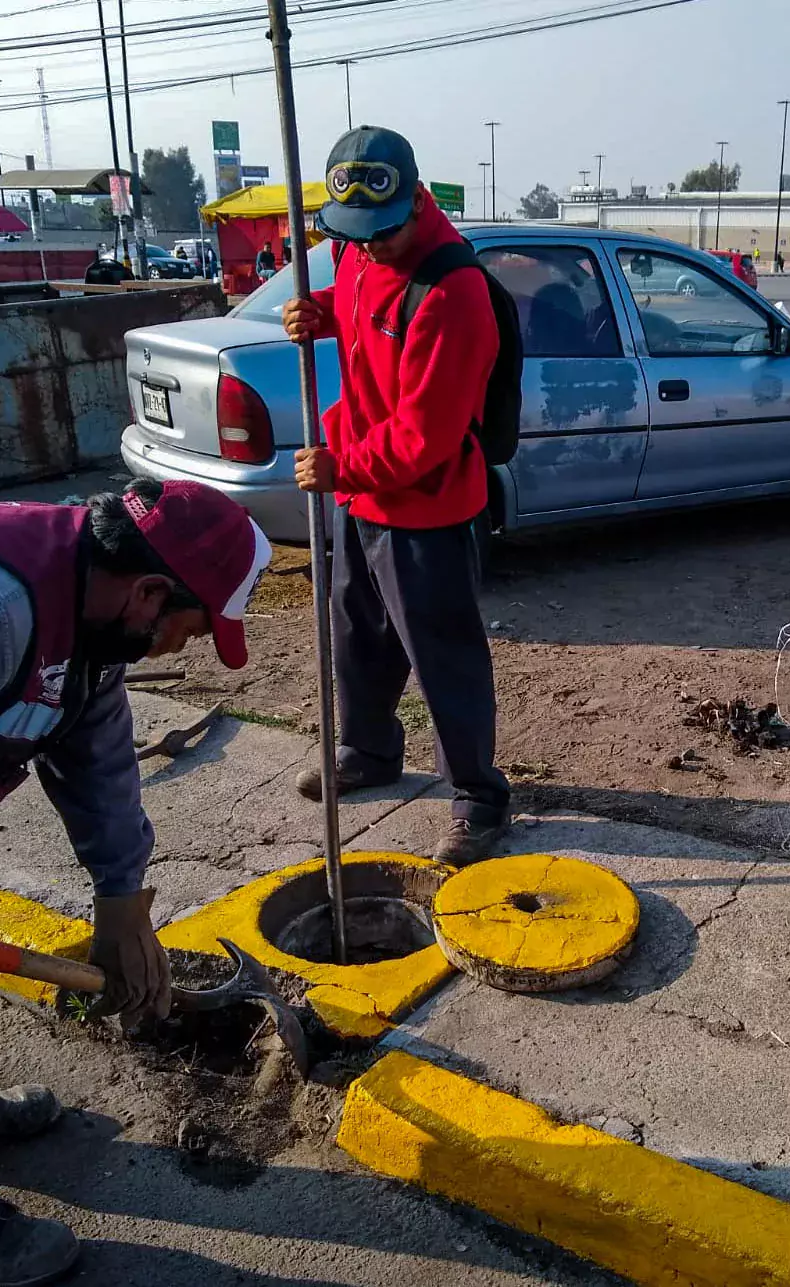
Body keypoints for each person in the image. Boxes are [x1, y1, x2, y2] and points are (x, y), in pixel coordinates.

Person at [0, 478, 271, 1282]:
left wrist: (120, 896)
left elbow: (97, 755)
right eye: (192, 630)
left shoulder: (93, 625)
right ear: (150, 592)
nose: (184, 650)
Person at [283, 125, 510, 866]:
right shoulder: (357, 250)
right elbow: (359, 301)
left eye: (381, 233)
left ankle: (478, 798)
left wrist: (339, 465)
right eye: (353, 236)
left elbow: (424, 440)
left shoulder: (454, 293)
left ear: (416, 201)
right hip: (362, 499)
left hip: (428, 509)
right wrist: (317, 309)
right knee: (358, 636)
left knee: (443, 658)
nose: (368, 248)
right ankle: (369, 749)